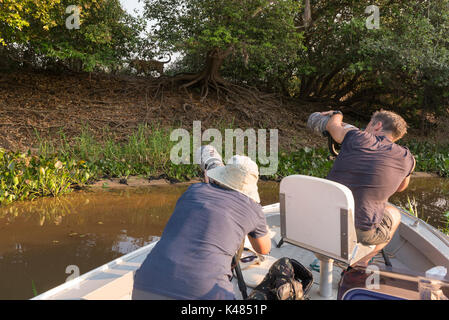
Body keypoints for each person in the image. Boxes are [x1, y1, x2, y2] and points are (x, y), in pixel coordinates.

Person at [132, 150, 271, 299]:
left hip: (144, 285)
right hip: (202, 292)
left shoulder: (194, 190)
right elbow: (264, 249)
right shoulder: (253, 208)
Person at [322, 110, 416, 266]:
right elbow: (401, 187)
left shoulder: (355, 136)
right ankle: (359, 263)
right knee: (394, 213)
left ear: (377, 125)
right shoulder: (407, 157)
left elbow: (333, 125)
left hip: (321, 219)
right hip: (360, 232)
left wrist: (336, 113)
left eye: (368, 125)